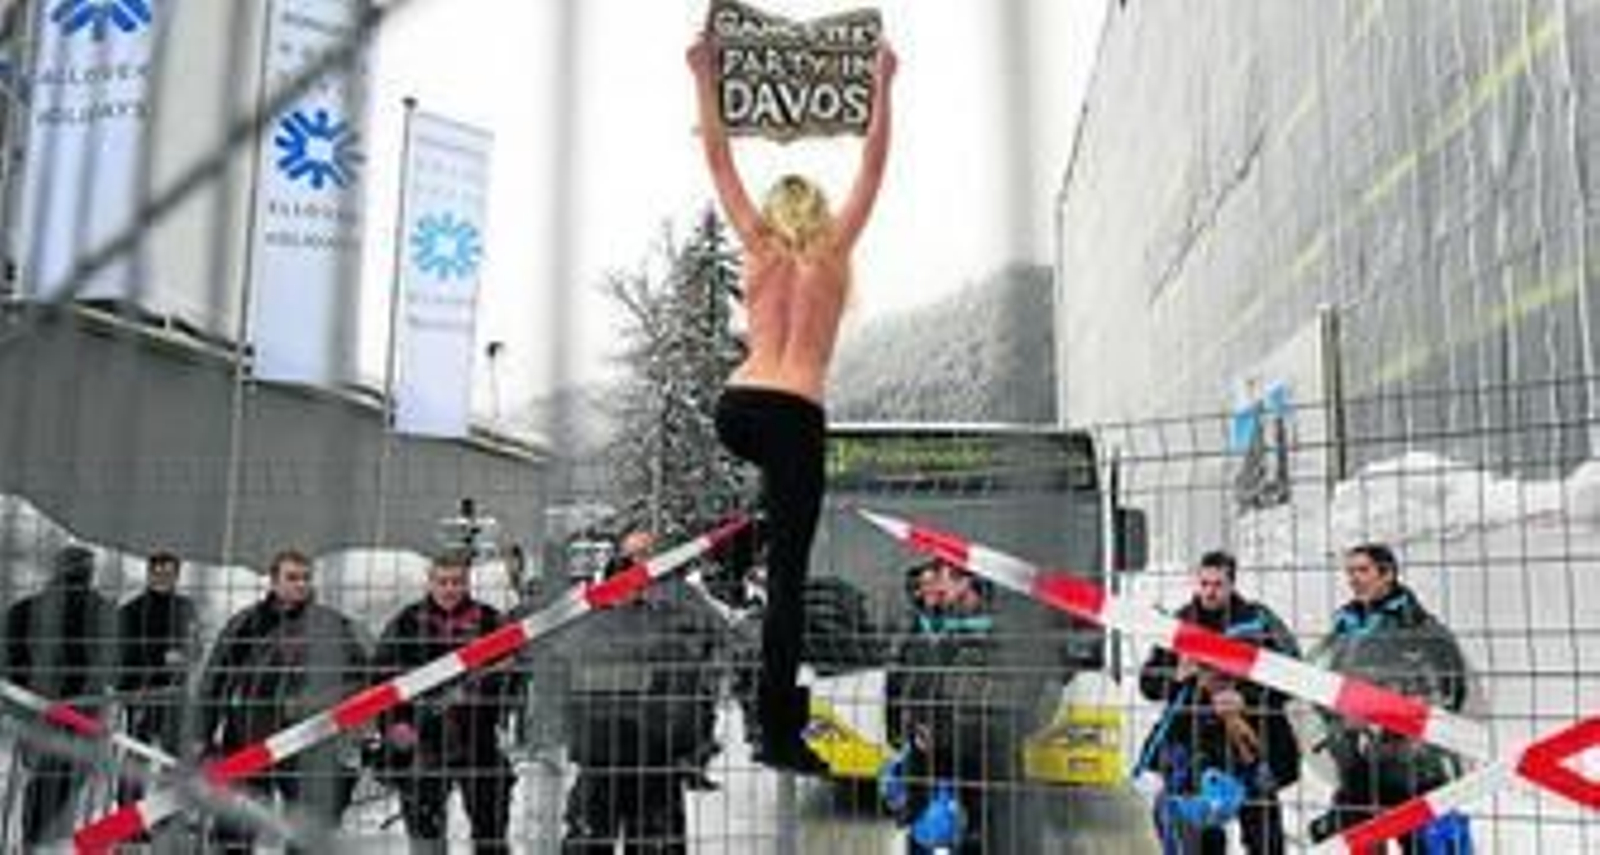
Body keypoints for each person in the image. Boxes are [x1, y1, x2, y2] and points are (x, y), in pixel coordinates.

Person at [688, 27, 897, 773]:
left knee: (774, 523)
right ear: (821, 208)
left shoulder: (756, 243)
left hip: (736, 407)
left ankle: (737, 546)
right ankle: (777, 730)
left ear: (779, 208)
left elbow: (718, 157)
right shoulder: (834, 251)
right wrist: (884, 83)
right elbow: (874, 162)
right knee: (790, 582)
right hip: (795, 414)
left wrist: (701, 74)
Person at [558, 530, 720, 853]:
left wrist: (693, 740)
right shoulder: (587, 623)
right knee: (590, 839)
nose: (639, 564)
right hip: (600, 755)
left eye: (646, 554)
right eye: (631, 558)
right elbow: (567, 678)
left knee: (655, 842)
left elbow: (698, 672)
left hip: (658, 754)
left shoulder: (685, 604)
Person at [197, 549, 369, 853]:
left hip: (308, 741)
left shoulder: (333, 625)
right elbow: (215, 681)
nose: (300, 584)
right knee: (234, 828)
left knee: (308, 832)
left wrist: (320, 703)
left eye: (305, 578)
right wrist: (203, 737)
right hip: (249, 736)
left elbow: (362, 679)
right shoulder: (246, 623)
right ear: (273, 581)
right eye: (291, 578)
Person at [1136, 550, 1301, 855]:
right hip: (1195, 745)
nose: (1209, 591)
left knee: (1264, 836)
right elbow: (1147, 684)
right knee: (1201, 837)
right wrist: (1175, 675)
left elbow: (1294, 678)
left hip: (1251, 743)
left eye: (1218, 584)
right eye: (1204, 583)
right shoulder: (1179, 623)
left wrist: (1245, 698)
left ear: (1232, 584)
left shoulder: (1259, 621)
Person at [1309, 544, 1470, 853]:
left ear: (1388, 574)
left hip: (1415, 767)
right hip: (1357, 765)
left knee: (1424, 844)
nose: (1354, 579)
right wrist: (1339, 720)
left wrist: (1397, 721)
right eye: (1350, 572)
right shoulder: (1343, 628)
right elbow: (1320, 685)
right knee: (1361, 844)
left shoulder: (1422, 629)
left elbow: (1452, 693)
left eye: (1363, 571)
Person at [373, 549, 519, 853]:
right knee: (426, 837)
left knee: (491, 833)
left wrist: (486, 694)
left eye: (457, 582)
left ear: (468, 583)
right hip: (422, 739)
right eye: (443, 582)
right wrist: (395, 724)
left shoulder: (490, 620)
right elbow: (381, 680)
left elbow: (514, 675)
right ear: (430, 582)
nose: (450, 589)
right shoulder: (406, 623)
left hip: (478, 738)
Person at [3, 544, 119, 845]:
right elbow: (112, 669)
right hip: (81, 717)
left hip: (37, 714)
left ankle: (32, 841)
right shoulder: (104, 613)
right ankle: (39, 842)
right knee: (62, 793)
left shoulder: (24, 609)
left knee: (39, 786)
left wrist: (22, 701)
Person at [116, 549, 199, 800]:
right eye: (158, 572)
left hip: (175, 693)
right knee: (137, 755)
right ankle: (128, 816)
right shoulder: (130, 610)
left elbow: (196, 645)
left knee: (175, 758)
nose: (164, 577)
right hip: (142, 692)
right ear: (149, 574)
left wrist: (188, 655)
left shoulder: (186, 607)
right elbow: (123, 653)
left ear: (177, 576)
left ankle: (166, 814)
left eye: (169, 573)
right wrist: (161, 657)